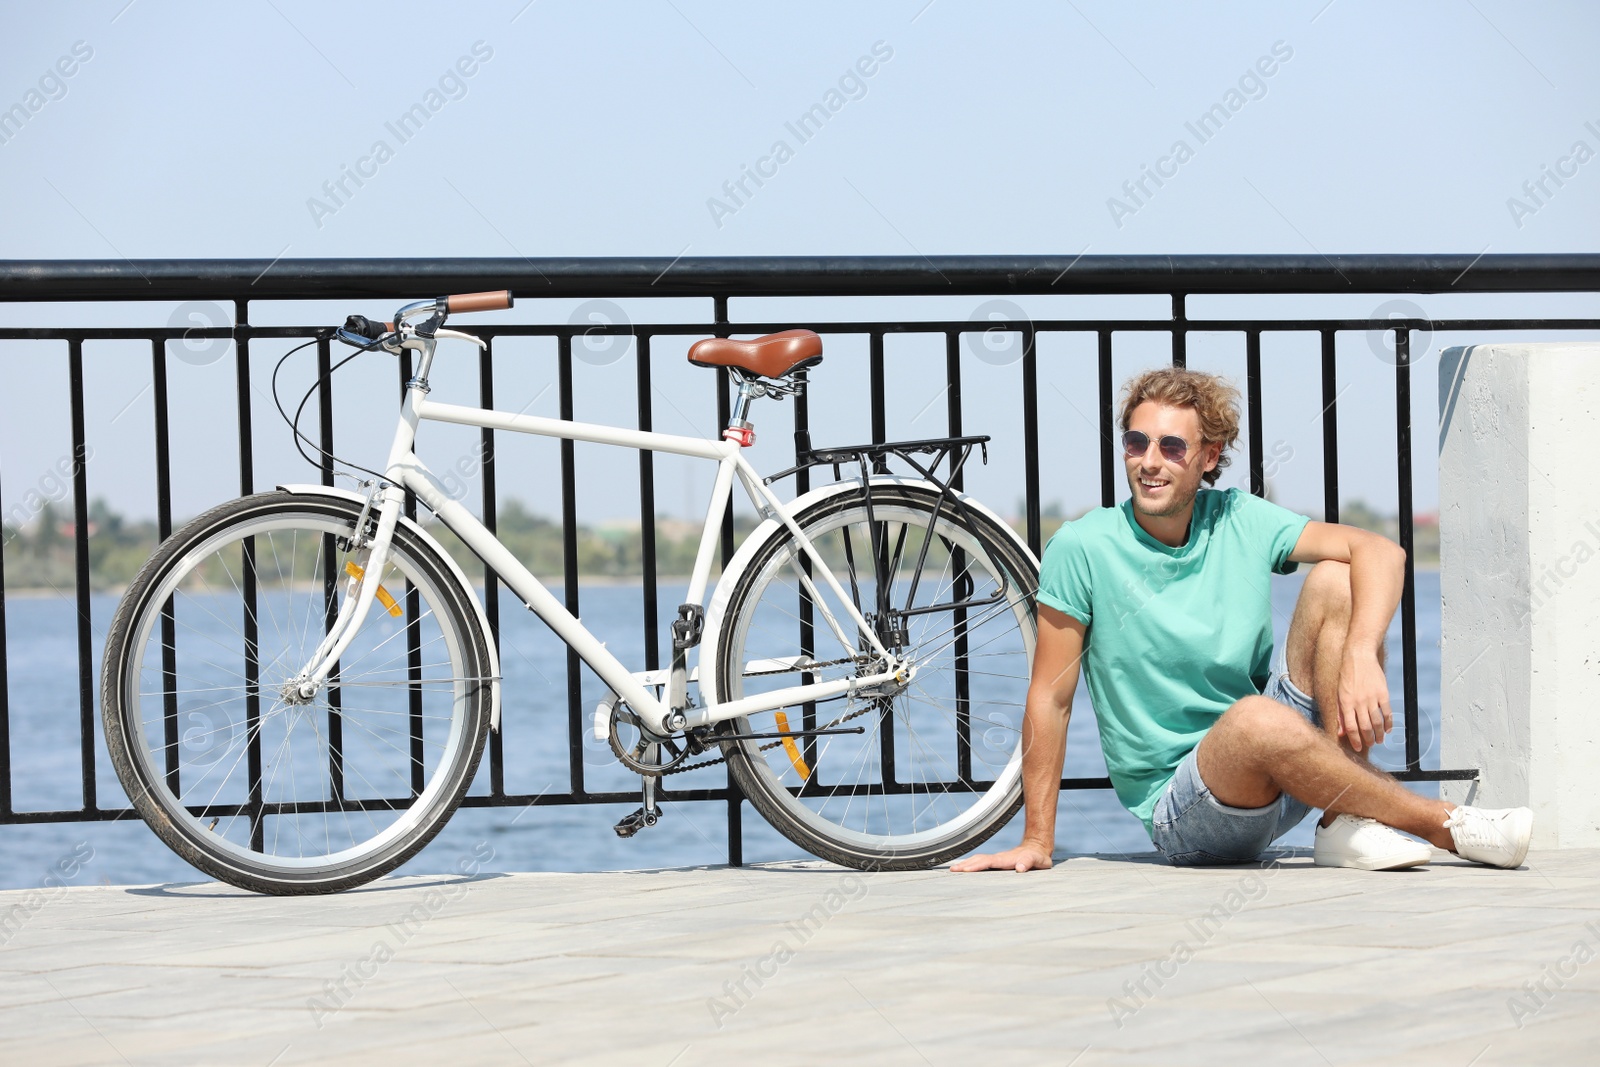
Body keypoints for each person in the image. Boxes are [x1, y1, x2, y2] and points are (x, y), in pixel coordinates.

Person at [952, 367, 1532, 874]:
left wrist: (1360, 652)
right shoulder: (1083, 546)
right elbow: (1049, 698)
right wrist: (1036, 840)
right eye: (1136, 443)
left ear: (1208, 457)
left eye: (1172, 448)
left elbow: (1383, 552)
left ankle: (1343, 820)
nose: (1150, 462)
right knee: (1253, 717)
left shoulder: (1238, 517)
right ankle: (1443, 823)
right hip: (1188, 811)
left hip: (1278, 766)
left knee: (1335, 576)